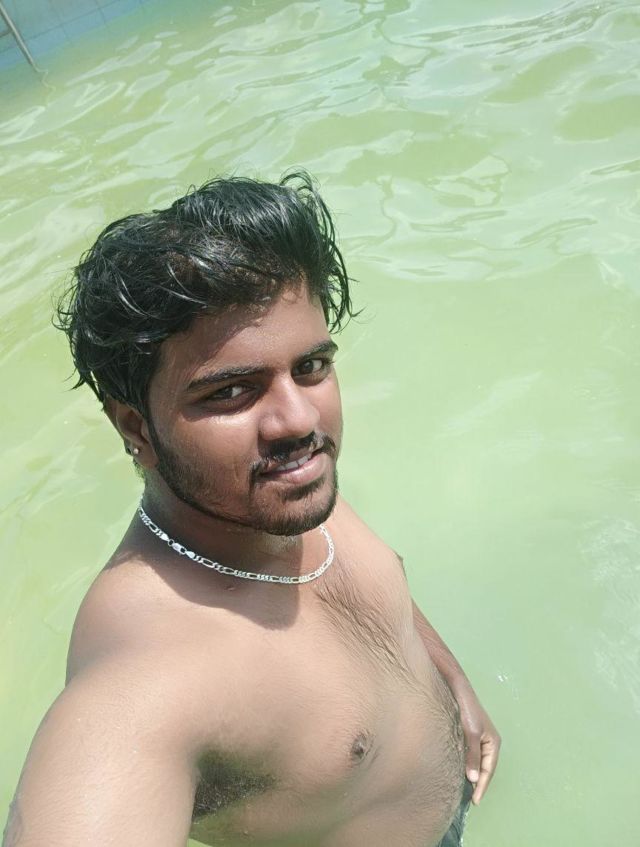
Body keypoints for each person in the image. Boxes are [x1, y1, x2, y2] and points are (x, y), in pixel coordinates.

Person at [3, 172, 500, 847]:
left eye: (311, 367)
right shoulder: (149, 676)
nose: (298, 420)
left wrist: (452, 682)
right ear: (136, 427)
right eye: (232, 392)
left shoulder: (271, 491)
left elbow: (384, 593)